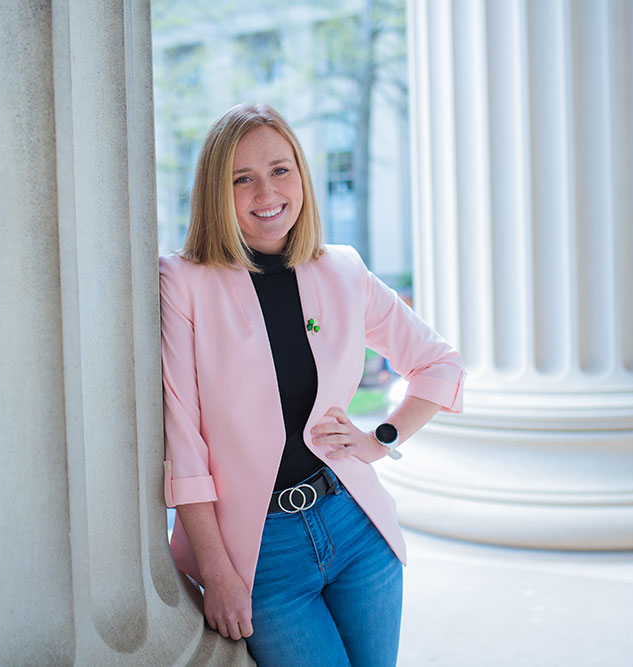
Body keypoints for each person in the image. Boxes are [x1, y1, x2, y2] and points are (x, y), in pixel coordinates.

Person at [160, 103, 464, 667]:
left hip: (356, 530)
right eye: (241, 179)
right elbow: (184, 447)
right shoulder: (183, 282)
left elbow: (439, 363)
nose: (266, 192)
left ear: (301, 174)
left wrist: (383, 437)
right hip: (261, 553)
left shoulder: (342, 270)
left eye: (280, 169)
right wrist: (218, 571)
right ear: (214, 192)